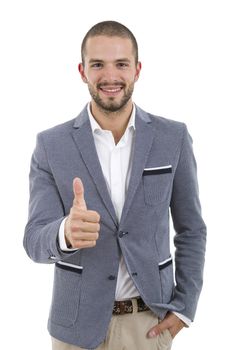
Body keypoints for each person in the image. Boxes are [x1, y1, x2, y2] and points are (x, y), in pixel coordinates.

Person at [23, 20, 207, 350]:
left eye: (121, 64)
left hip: (149, 323)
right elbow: (34, 239)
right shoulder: (51, 145)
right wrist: (65, 232)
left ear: (137, 70)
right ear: (82, 71)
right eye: (98, 65)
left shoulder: (173, 138)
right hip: (74, 331)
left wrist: (184, 309)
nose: (110, 76)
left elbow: (192, 229)